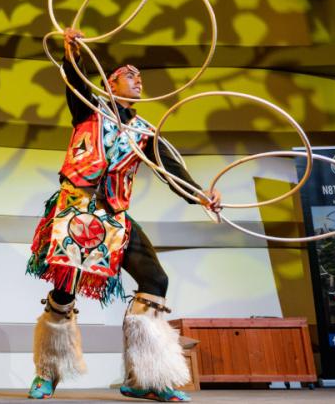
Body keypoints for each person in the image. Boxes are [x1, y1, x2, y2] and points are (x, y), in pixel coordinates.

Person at [26, 28, 220, 402]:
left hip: (115, 215)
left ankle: (144, 378)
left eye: (140, 77)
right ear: (109, 84)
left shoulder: (146, 132)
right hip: (77, 210)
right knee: (64, 291)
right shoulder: (90, 108)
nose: (138, 80)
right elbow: (73, 81)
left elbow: (172, 172)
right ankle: (47, 373)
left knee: (155, 281)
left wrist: (202, 198)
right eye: (129, 75)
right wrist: (72, 53)